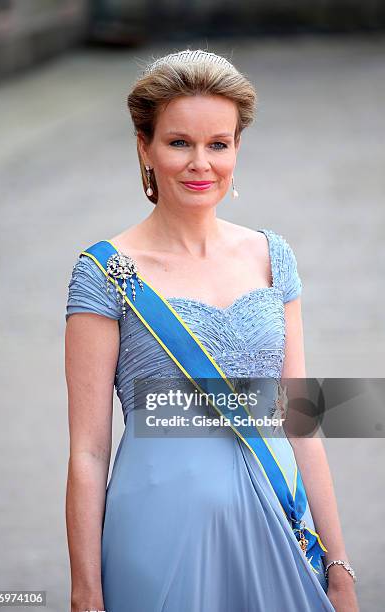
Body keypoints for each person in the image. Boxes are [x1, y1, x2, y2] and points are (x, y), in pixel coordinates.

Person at [65, 49, 359, 612]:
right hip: (155, 537)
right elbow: (88, 451)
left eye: (217, 144)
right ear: (144, 148)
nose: (200, 163)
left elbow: (301, 417)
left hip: (280, 525)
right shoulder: (102, 271)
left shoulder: (273, 257)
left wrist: (339, 565)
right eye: (179, 142)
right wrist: (86, 591)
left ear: (236, 150)